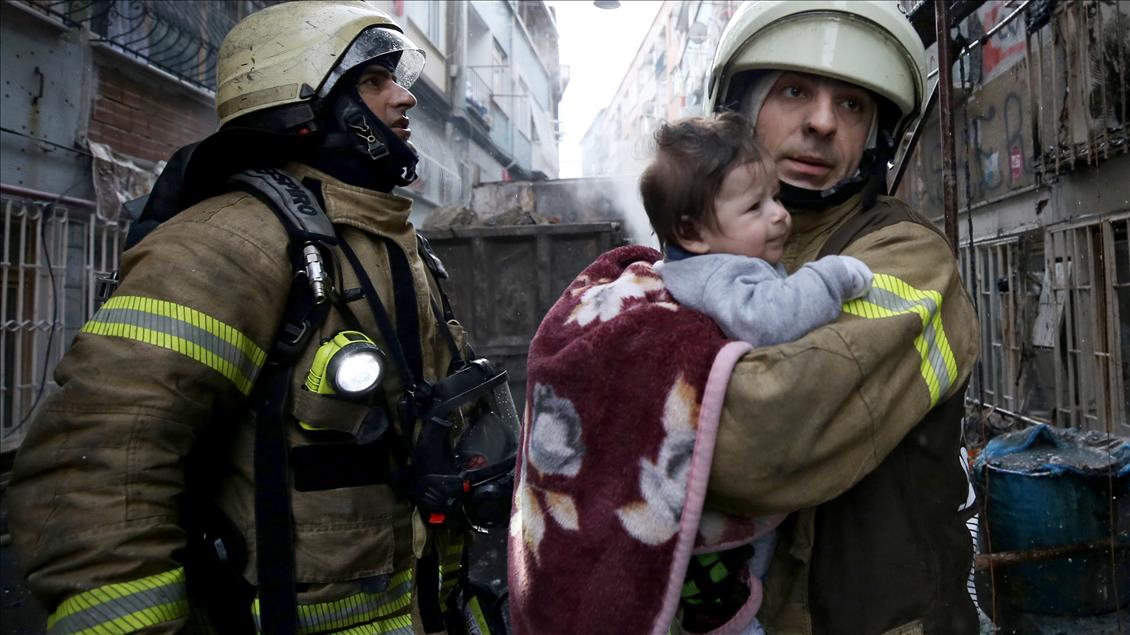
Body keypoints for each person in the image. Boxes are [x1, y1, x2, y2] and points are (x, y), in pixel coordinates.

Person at [8, 3, 506, 634]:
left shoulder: (392, 245)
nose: (405, 99)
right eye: (374, 81)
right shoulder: (228, 244)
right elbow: (99, 466)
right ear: (305, 102)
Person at [509, 2, 979, 634]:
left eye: (852, 106)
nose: (820, 123)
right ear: (740, 110)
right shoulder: (710, 259)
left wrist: (627, 411)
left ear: (875, 135)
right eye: (793, 91)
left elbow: (752, 442)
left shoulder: (906, 257)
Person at [645, 112, 874, 635]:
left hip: (711, 516)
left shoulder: (691, 265)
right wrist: (831, 277)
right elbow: (768, 320)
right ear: (691, 232)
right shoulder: (721, 272)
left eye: (774, 197)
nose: (779, 216)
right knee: (732, 609)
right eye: (755, 206)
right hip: (715, 522)